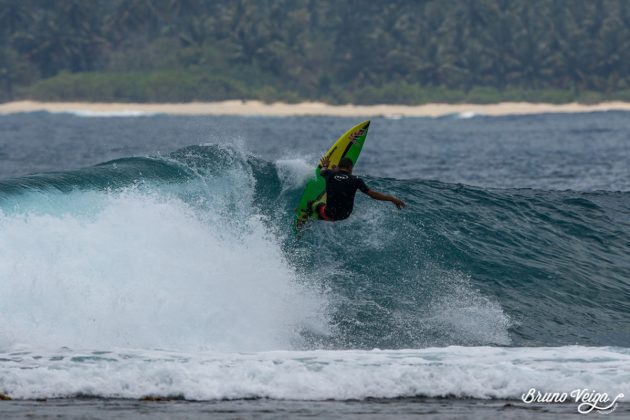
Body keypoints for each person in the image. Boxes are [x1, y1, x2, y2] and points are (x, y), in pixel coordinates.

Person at [312, 156, 405, 221]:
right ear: (350, 168)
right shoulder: (356, 180)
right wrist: (391, 199)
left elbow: (322, 171)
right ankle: (318, 216)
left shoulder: (329, 174)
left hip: (329, 214)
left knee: (312, 204)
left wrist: (325, 165)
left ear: (339, 167)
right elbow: (372, 194)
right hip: (345, 215)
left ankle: (305, 219)